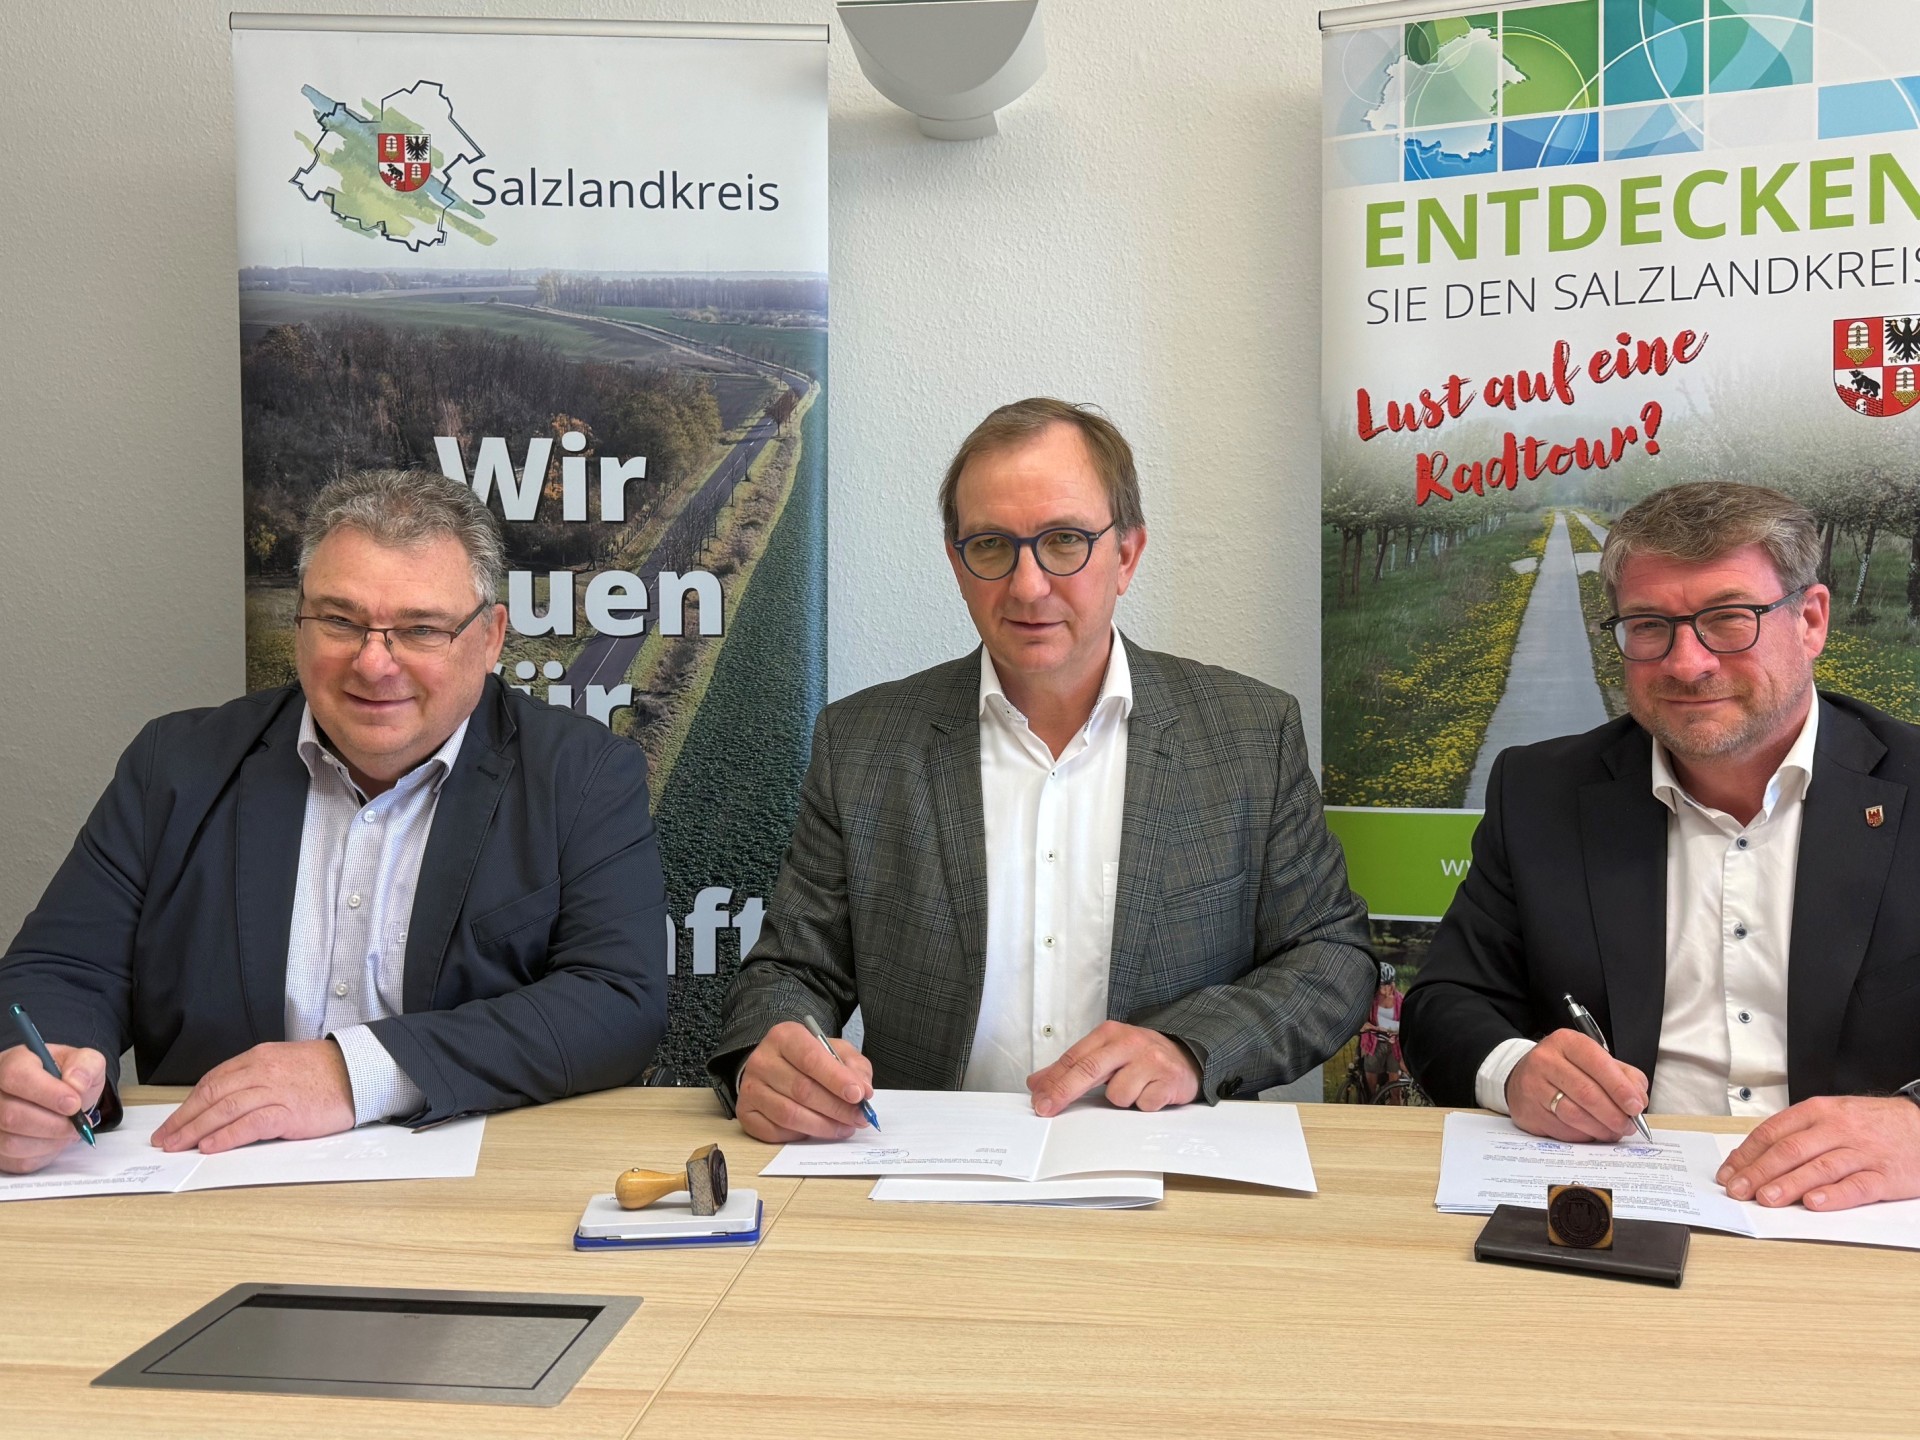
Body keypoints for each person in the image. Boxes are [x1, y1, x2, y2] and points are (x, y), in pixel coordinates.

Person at [709, 397, 1374, 1142]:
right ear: (957, 563)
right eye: (991, 545)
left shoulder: (1251, 733)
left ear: (1127, 554)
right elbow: (790, 973)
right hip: (928, 1184)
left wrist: (1193, 1046)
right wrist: (765, 1058)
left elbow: (1331, 957)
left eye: (1064, 541)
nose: (1027, 586)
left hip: (1166, 1170)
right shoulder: (861, 743)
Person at [0, 471, 667, 1174]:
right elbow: (60, 971)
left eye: (419, 629)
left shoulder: (583, 777)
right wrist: (48, 1073)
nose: (374, 663)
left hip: (479, 1201)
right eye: (341, 622)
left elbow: (616, 1004)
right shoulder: (174, 767)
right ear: (300, 621)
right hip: (206, 1192)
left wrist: (356, 1072)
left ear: (490, 637)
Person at [1401, 481, 1920, 1212]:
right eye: (1650, 626)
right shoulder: (1541, 791)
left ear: (1810, 620)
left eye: (1728, 619)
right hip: (1620, 1204)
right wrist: (1518, 1071)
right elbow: (1444, 1004)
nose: (1686, 662)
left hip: (1861, 1220)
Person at [1359, 961, 1403, 1100]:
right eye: (1383, 985)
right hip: (1374, 1045)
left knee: (1395, 1089)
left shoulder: (1400, 1000)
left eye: (1389, 984)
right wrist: (1374, 1028)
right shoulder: (1370, 1000)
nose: (1387, 989)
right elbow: (1362, 1022)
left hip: (1393, 1046)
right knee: (1371, 1089)